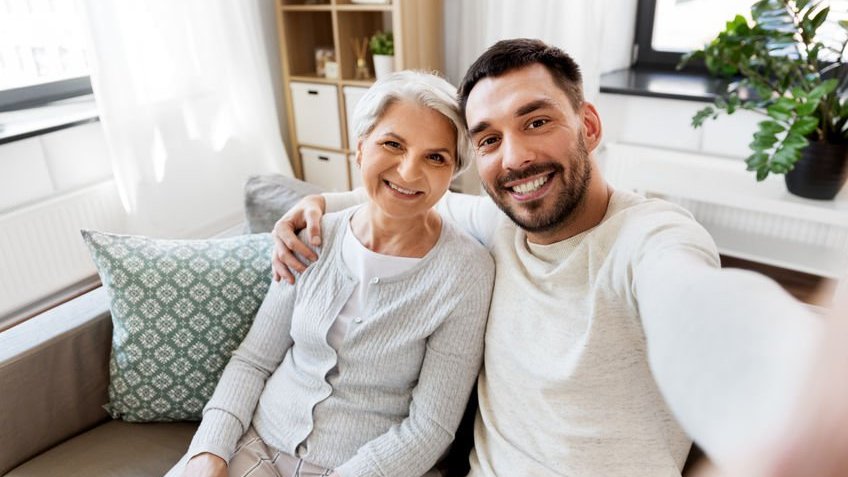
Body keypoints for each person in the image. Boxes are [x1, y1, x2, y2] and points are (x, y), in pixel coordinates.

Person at [271, 39, 828, 476]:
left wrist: (808, 379)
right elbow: (401, 195)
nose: (515, 158)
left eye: (536, 121)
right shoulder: (500, 221)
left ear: (588, 126)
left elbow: (699, 303)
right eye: (488, 140)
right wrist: (315, 203)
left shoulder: (652, 238)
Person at [169, 71, 495, 477]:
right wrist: (209, 451)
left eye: (435, 157)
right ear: (361, 150)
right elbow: (254, 360)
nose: (410, 171)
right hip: (256, 441)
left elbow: (431, 426)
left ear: (453, 173)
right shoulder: (311, 236)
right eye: (393, 144)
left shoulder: (466, 273)